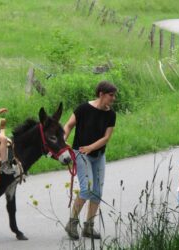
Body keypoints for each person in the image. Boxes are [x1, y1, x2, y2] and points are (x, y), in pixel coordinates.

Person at [63, 80, 117, 240]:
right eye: (111, 95)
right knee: (87, 189)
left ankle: (89, 227)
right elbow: (68, 125)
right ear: (101, 94)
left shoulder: (111, 114)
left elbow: (106, 138)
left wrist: (91, 148)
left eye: (114, 96)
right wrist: (63, 141)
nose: (113, 99)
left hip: (98, 155)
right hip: (80, 154)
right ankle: (72, 223)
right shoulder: (83, 109)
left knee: (97, 192)